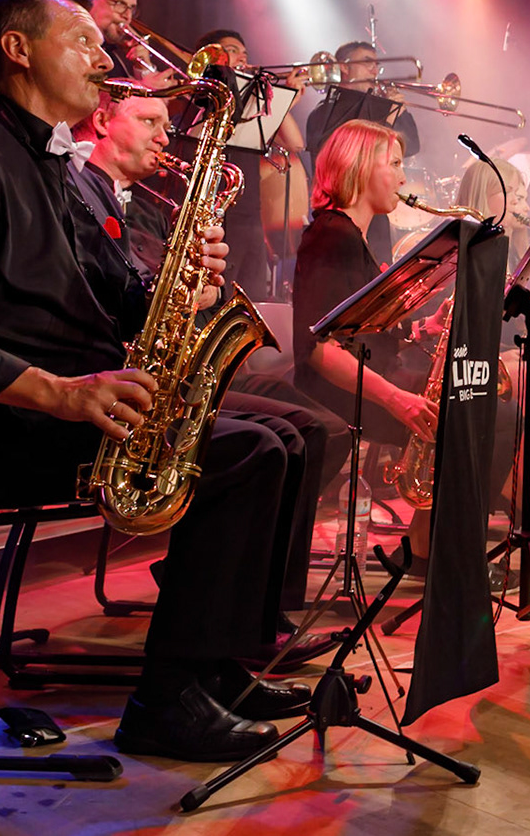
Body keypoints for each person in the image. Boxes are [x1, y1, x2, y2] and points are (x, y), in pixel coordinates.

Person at [0, 0, 312, 763]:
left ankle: (215, 668)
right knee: (246, 452)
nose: (104, 57)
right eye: (81, 41)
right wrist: (62, 394)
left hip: (75, 413)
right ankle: (165, 701)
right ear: (17, 49)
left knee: (279, 442)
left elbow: (118, 302)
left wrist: (188, 283)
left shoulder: (60, 171)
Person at [78, 87, 353, 620]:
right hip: (129, 379)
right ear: (103, 121)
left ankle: (266, 601)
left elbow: (177, 298)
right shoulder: (78, 195)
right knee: (280, 439)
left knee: (320, 430)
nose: (165, 137)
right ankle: (225, 597)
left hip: (179, 368)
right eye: (148, 121)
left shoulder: (153, 208)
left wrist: (205, 292)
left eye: (167, 125)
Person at [293, 120, 437, 551]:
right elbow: (317, 350)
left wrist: (423, 327)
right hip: (342, 394)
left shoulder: (351, 235)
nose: (403, 178)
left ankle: (430, 544)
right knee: (474, 415)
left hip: (369, 381)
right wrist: (398, 399)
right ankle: (430, 548)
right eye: (394, 164)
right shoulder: (331, 235)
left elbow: (362, 334)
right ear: (358, 167)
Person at [193, 28, 309, 297]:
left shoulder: (254, 106)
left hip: (251, 215)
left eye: (244, 53)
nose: (242, 58)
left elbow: (295, 144)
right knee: (217, 298)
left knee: (252, 299)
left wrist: (284, 102)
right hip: (216, 218)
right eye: (232, 50)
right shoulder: (200, 101)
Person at [305, 40, 421, 162]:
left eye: (376, 65)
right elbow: (353, 160)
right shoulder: (323, 113)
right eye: (367, 63)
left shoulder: (374, 107)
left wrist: (400, 111)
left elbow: (412, 147)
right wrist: (388, 120)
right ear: (344, 67)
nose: (375, 72)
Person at [81, 0, 145, 82]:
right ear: (90, 0)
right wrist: (143, 87)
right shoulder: (76, 49)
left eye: (131, 8)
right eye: (120, 4)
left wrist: (142, 69)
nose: (128, 16)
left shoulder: (111, 52)